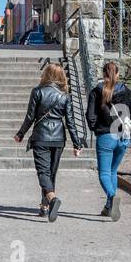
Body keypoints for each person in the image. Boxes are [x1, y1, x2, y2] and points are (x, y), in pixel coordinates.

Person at [13, 61, 84, 222]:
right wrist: (77, 144)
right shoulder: (65, 96)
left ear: (46, 74)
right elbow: (71, 122)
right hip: (58, 138)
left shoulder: (37, 92)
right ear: (61, 77)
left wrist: (21, 133)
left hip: (41, 137)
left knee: (43, 172)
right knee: (50, 174)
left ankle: (52, 199)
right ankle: (44, 207)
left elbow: (30, 117)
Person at [87, 60, 131, 221]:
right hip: (123, 136)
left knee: (104, 174)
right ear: (118, 74)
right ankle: (109, 207)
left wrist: (95, 128)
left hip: (106, 135)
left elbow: (91, 115)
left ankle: (112, 197)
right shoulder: (127, 91)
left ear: (103, 74)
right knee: (113, 171)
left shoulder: (97, 91)